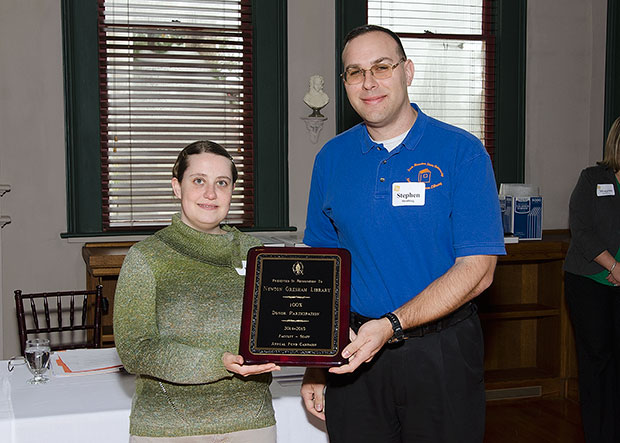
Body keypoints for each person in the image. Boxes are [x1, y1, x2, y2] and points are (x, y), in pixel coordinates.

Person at [300, 25, 505, 443]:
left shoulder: (462, 152)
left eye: (382, 67)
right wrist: (316, 364)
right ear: (344, 83)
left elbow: (479, 270)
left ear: (408, 71)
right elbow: (322, 270)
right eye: (355, 72)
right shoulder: (331, 158)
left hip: (441, 353)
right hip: (353, 352)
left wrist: (392, 324)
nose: (368, 82)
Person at [114, 141, 280, 442]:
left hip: (252, 423)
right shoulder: (146, 257)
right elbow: (135, 350)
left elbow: (282, 323)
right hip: (169, 428)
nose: (211, 194)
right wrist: (217, 363)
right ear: (177, 187)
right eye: (199, 181)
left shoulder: (259, 253)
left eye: (222, 183)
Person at [564, 116, 620, 443]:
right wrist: (614, 267)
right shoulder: (592, 179)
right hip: (588, 283)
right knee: (597, 361)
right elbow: (581, 230)